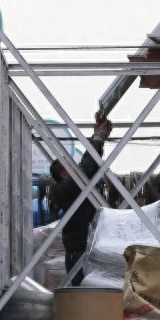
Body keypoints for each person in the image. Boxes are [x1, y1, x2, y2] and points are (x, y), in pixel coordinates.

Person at [48, 115, 112, 285]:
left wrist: (98, 139)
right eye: (71, 168)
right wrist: (97, 138)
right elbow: (87, 168)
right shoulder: (63, 190)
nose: (76, 169)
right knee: (84, 294)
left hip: (84, 250)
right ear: (63, 174)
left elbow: (90, 167)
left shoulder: (73, 188)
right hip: (79, 253)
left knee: (90, 293)